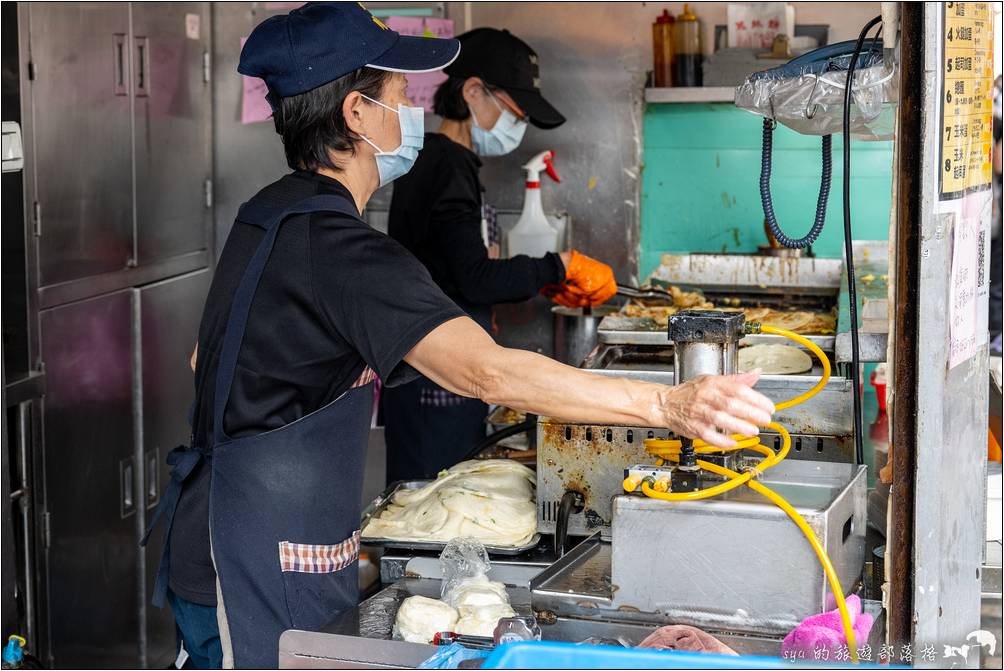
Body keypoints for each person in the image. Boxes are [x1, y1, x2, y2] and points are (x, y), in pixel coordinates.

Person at [145, 4, 775, 668]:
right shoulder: (342, 249)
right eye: (397, 96)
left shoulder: (267, 212)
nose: (409, 114)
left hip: (206, 540)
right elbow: (487, 372)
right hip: (261, 569)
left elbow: (203, 356)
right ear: (356, 115)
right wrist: (666, 405)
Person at [383, 28, 616, 481]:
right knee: (434, 509)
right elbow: (473, 278)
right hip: (436, 380)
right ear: (472, 91)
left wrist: (546, 279)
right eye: (515, 110)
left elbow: (452, 266)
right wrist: (559, 264)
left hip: (433, 371)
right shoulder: (447, 163)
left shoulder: (444, 160)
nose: (519, 125)